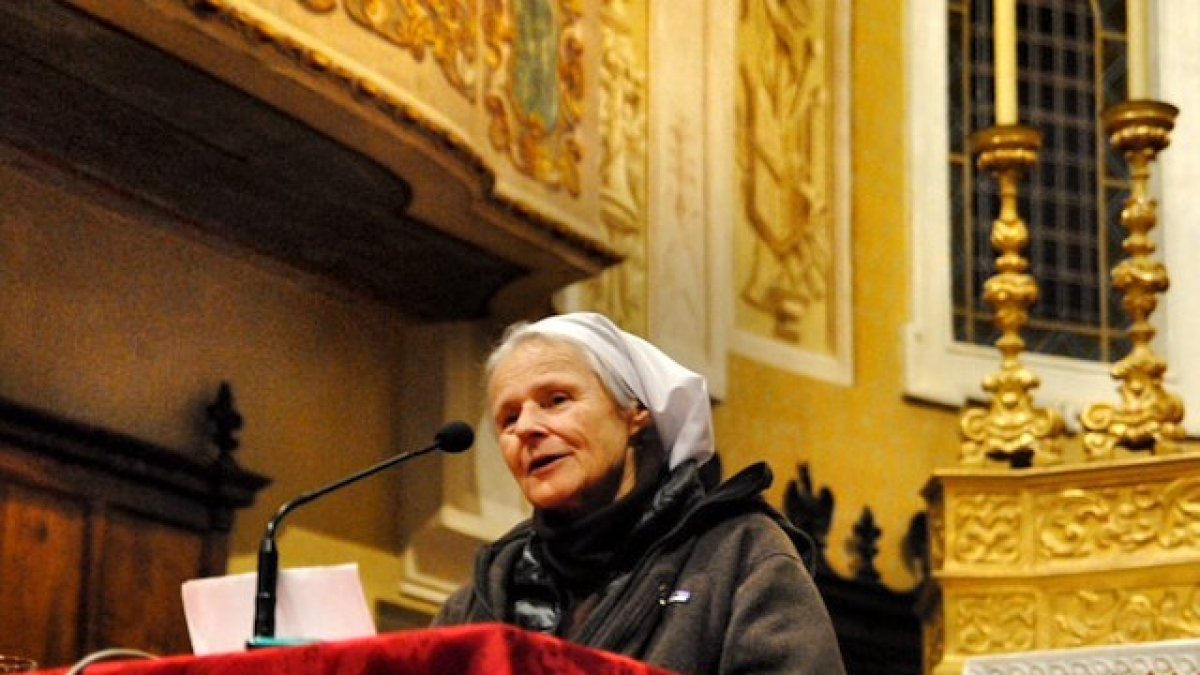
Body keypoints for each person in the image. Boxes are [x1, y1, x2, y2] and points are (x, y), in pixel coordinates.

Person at [433, 312, 845, 674]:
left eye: (556, 400)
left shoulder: (739, 554)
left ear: (635, 413)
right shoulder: (482, 596)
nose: (526, 428)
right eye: (508, 419)